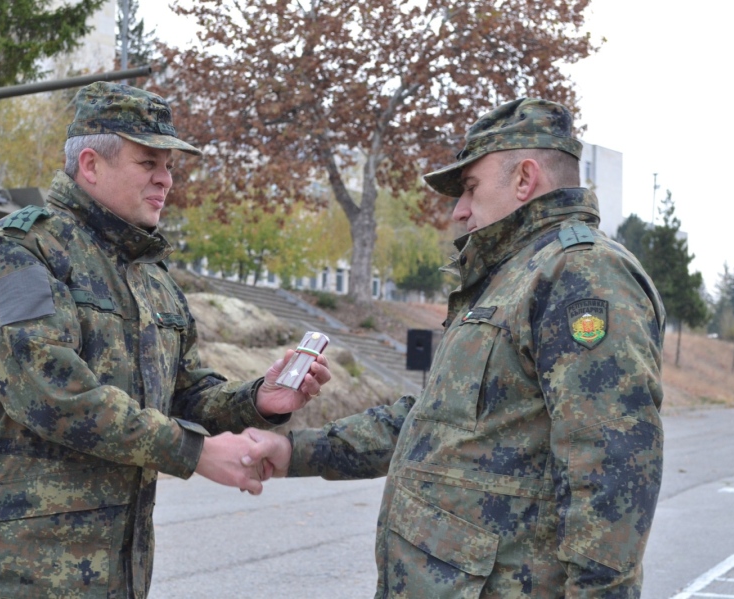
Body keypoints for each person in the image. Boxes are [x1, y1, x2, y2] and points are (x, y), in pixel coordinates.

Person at [246, 98, 665, 597]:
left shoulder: (580, 274)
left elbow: (613, 469)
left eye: (469, 188)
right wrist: (293, 451)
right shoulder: (508, 278)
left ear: (524, 178)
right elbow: (431, 422)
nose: (459, 211)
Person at [0, 82, 330, 599]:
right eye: (149, 163)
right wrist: (195, 452)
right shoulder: (20, 250)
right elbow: (52, 393)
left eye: (169, 166)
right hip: (11, 571)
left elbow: (185, 392)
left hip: (115, 573)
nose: (166, 180)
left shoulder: (151, 276)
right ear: (91, 165)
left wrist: (258, 399)